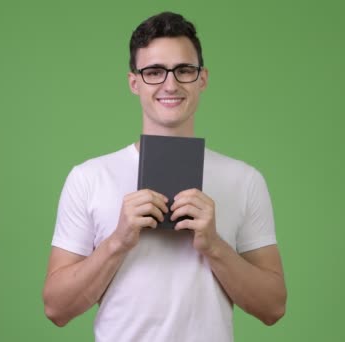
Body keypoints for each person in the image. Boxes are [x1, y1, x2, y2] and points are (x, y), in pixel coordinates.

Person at [43, 11, 287, 341]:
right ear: (134, 82)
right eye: (154, 72)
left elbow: (273, 307)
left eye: (184, 70)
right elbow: (56, 308)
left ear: (202, 78)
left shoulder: (244, 180)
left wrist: (214, 246)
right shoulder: (88, 178)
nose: (170, 84)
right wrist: (118, 241)